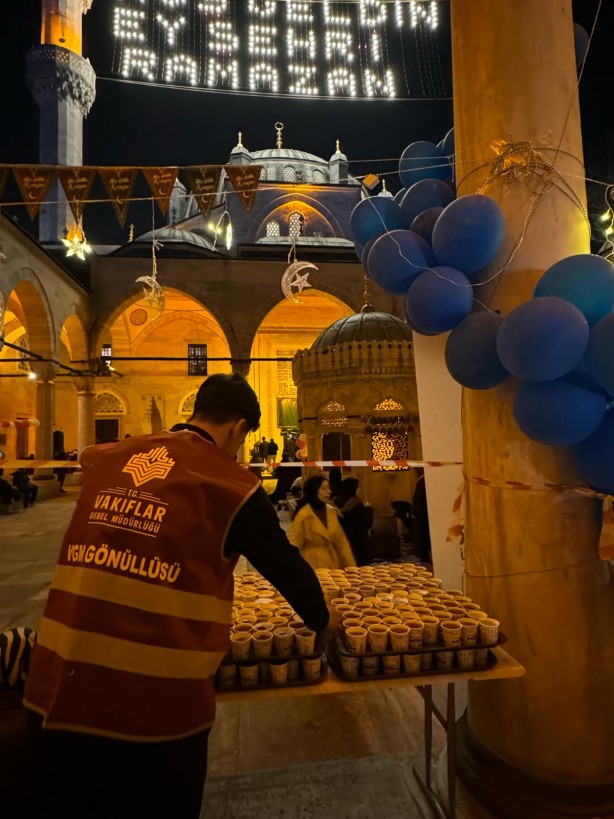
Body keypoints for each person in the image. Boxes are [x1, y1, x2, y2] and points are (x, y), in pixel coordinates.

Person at [24, 374, 334, 819]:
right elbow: (284, 564)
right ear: (238, 429)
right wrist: (324, 618)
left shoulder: (111, 458)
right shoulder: (229, 485)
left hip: (57, 686)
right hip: (151, 708)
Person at [289, 474, 357, 570]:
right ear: (313, 491)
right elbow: (294, 544)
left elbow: (341, 542)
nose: (329, 492)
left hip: (332, 564)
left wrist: (351, 566)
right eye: (323, 489)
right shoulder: (304, 515)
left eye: (328, 488)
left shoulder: (331, 512)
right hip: (312, 565)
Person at [335, 478, 374, 566]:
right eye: (358, 487)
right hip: (358, 544)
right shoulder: (356, 503)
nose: (359, 489)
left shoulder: (334, 501)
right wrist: (369, 509)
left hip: (340, 541)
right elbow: (366, 523)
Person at [412, 470, 432, 563]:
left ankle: (425, 555)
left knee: (424, 537)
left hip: (422, 516)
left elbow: (420, 501)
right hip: (421, 515)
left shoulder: (423, 482)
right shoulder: (421, 481)